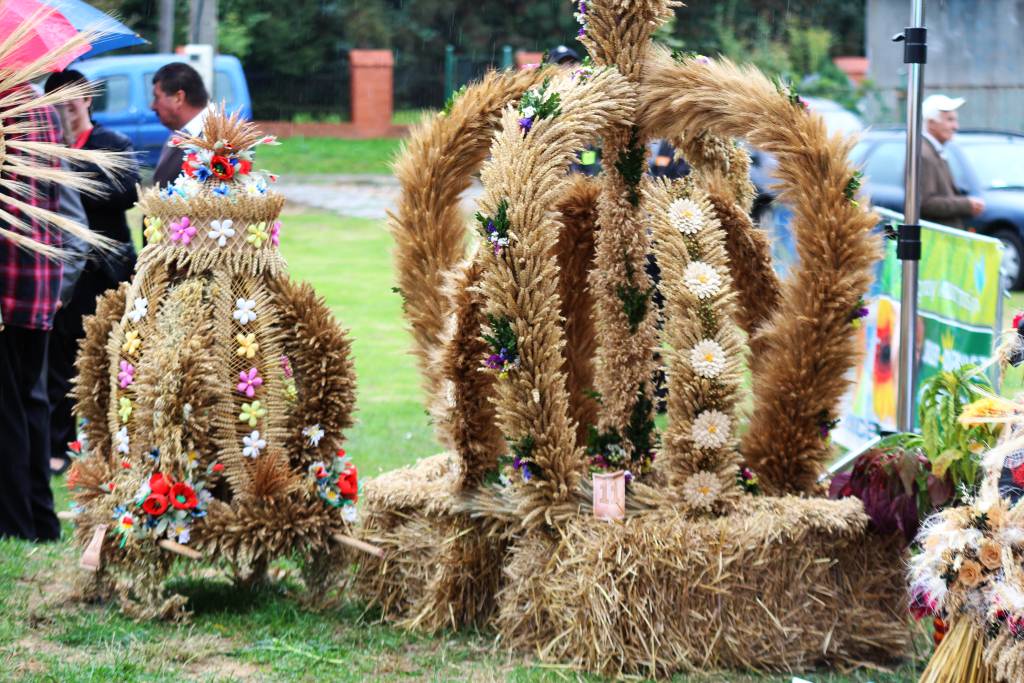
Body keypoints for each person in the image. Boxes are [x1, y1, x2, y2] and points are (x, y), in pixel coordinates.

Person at [43, 70, 140, 476]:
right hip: (63, 273)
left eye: (72, 99)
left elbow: (125, 193)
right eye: (56, 102)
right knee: (59, 366)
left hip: (107, 272)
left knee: (114, 359)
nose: (66, 108)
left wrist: (67, 182)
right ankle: (57, 447)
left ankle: (117, 443)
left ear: (87, 100)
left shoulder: (111, 144)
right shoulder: (43, 150)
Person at [0, 85, 64, 541]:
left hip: (5, 286)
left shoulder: (5, 111)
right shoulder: (42, 110)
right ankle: (42, 519)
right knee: (32, 404)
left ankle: (14, 522)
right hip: (38, 283)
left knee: (6, 411)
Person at [919, 94, 985, 229]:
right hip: (935, 239)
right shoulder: (924, 154)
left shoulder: (933, 150)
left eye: (955, 120)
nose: (955, 126)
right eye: (949, 120)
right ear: (931, 123)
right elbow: (925, 203)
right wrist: (966, 204)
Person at [151, 62, 209, 189]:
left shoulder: (217, 139)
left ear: (178, 98)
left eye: (156, 98)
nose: (152, 106)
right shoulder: (182, 133)